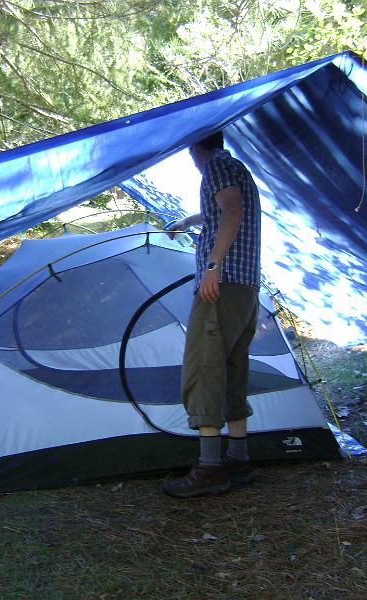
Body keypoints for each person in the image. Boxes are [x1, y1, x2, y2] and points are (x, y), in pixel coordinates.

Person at [162, 131, 262, 498]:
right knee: (233, 366)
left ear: (193, 149)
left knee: (205, 366)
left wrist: (213, 266)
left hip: (223, 283)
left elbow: (231, 210)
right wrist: (189, 223)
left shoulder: (216, 166)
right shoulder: (236, 166)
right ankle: (238, 458)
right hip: (246, 285)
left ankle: (209, 469)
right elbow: (223, 210)